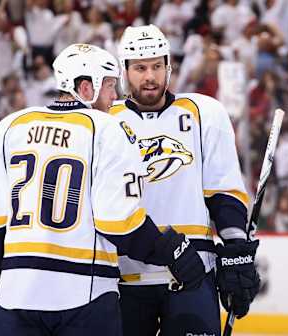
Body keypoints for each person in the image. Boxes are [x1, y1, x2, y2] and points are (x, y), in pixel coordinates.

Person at [0, 43, 205, 336]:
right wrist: (171, 250)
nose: (115, 97)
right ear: (86, 88)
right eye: (110, 86)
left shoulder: (11, 126)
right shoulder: (105, 129)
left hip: (16, 296)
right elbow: (118, 222)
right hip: (84, 298)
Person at [110, 25, 260, 336]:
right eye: (139, 68)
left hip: (194, 272)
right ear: (124, 71)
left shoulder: (204, 112)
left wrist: (236, 249)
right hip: (122, 277)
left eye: (156, 66)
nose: (149, 76)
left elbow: (223, 189)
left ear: (169, 67)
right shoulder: (105, 121)